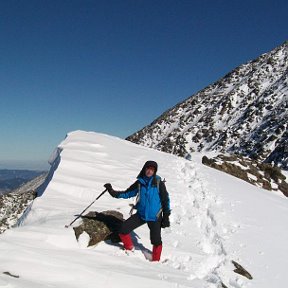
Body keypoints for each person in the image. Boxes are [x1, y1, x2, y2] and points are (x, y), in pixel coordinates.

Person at [104, 160, 171, 262]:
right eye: (148, 169)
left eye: (152, 170)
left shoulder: (158, 183)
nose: (149, 171)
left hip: (155, 217)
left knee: (156, 240)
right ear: (144, 169)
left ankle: (156, 261)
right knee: (123, 229)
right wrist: (113, 192)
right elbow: (128, 193)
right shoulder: (140, 183)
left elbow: (165, 200)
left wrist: (166, 216)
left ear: (155, 171)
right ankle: (129, 249)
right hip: (141, 214)